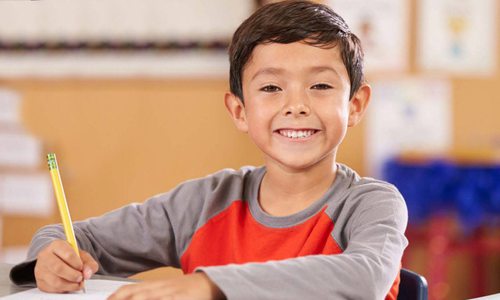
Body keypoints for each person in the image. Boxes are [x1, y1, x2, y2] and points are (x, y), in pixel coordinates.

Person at [10, 1, 408, 299]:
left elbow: (365, 276)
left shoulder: (371, 204)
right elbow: (66, 236)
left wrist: (213, 286)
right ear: (239, 110)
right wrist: (53, 257)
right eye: (271, 88)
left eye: (320, 86)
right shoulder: (204, 204)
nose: (296, 105)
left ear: (355, 105)